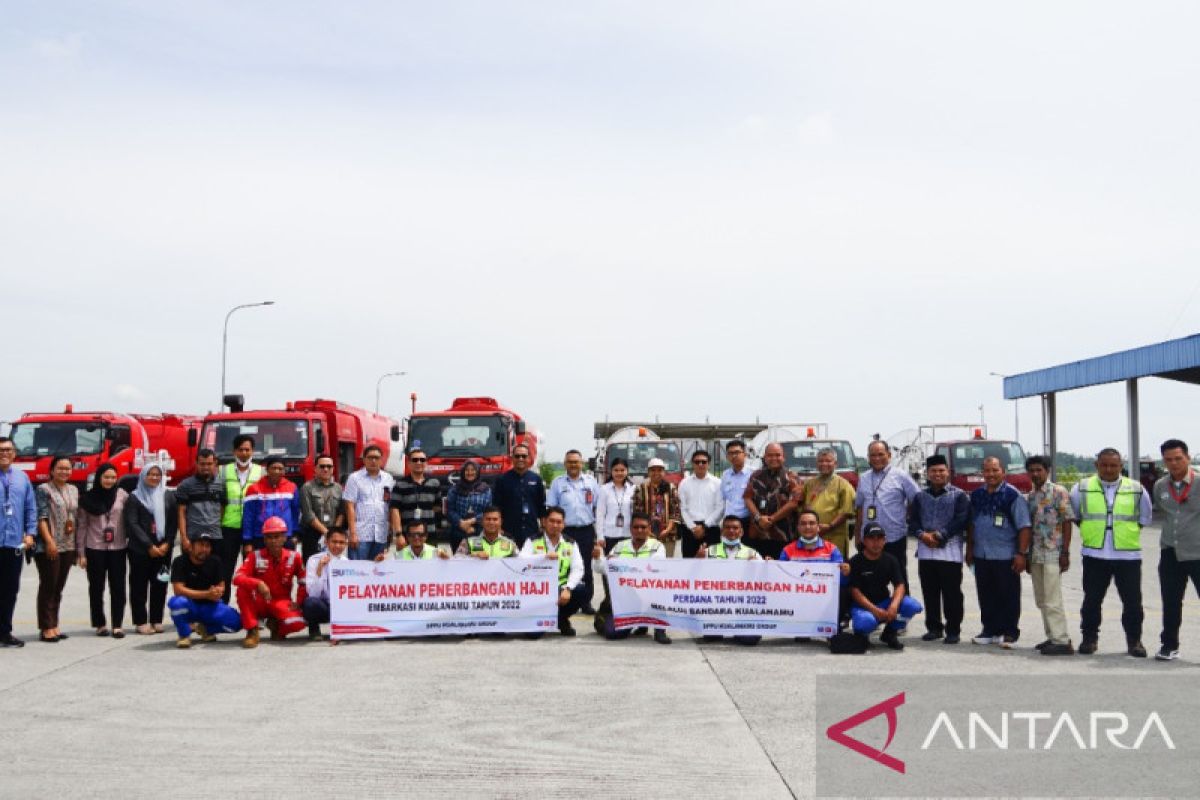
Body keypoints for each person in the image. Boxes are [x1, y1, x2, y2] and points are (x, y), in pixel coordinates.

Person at [1070, 447, 1153, 657]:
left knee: (1133, 603)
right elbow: (1076, 515)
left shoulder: (1136, 488)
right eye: (1104, 465)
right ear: (1096, 465)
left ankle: (1134, 641)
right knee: (1091, 601)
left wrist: (1121, 534)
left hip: (1127, 556)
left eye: (1113, 465)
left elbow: (1144, 518)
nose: (1108, 469)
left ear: (1121, 466)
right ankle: (1089, 639)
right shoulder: (1081, 488)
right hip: (1095, 555)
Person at [965, 457, 1032, 649]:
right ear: (982, 473)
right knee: (985, 594)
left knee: (1008, 595)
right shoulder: (977, 495)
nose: (991, 474)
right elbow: (971, 524)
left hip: (1006, 554)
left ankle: (1010, 632)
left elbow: (1024, 527)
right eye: (987, 471)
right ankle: (989, 630)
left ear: (1003, 472)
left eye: (995, 470)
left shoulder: (1013, 495)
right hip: (982, 553)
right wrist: (969, 548)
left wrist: (1021, 554)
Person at [908, 455, 970, 644]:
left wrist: (939, 535)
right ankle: (934, 628)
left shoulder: (959, 495)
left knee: (952, 593)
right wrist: (922, 535)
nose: (938, 474)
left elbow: (961, 520)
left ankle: (953, 630)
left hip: (950, 552)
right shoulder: (920, 496)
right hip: (926, 551)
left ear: (948, 473)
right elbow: (913, 521)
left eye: (941, 470)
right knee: (930, 591)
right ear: (927, 473)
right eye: (933, 471)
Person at [591, 512, 671, 644]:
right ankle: (630, 620)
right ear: (630, 528)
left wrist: (621, 564)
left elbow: (652, 569)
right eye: (636, 527)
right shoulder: (619, 546)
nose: (639, 530)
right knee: (611, 633)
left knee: (661, 588)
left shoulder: (657, 547)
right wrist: (597, 558)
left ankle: (659, 629)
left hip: (648, 596)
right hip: (626, 599)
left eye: (643, 527)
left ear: (649, 528)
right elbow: (602, 568)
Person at [1024, 454, 1076, 656]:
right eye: (1032, 470)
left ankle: (1062, 640)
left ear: (1047, 471)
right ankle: (1052, 636)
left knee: (1053, 598)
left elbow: (1067, 521)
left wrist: (1065, 552)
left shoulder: (1058, 492)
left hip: (1054, 552)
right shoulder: (1030, 496)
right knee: (1041, 598)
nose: (1035, 474)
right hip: (1036, 553)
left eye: (1039, 470)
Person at [1154, 438, 1200, 661]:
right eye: (1169, 460)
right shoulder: (1160, 486)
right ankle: (1169, 645)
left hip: (1198, 552)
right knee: (1171, 600)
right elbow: (1164, 513)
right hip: (1171, 552)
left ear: (1188, 458)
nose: (1174, 464)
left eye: (1178, 459)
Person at [233, 516, 307, 648]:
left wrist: (299, 602)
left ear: (285, 537)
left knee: (298, 622)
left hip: (281, 602)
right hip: (259, 601)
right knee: (242, 589)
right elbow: (237, 578)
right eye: (269, 537)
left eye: (277, 536)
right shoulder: (254, 556)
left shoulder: (294, 557)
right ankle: (252, 630)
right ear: (264, 539)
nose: (273, 541)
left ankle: (277, 626)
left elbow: (304, 581)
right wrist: (258, 584)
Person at [848, 523, 923, 650]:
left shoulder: (891, 560)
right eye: (871, 538)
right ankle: (863, 636)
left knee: (912, 606)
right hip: (862, 606)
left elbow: (900, 585)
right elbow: (854, 591)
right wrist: (874, 610)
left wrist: (893, 606)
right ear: (864, 541)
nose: (876, 542)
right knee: (865, 623)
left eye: (880, 538)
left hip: (884, 603)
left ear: (884, 540)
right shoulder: (855, 561)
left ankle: (890, 633)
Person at [855, 440, 920, 585]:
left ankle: (901, 607)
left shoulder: (901, 476)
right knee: (869, 580)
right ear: (868, 457)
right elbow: (860, 507)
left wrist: (907, 517)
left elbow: (916, 499)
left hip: (894, 537)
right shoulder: (864, 478)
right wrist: (857, 534)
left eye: (881, 454)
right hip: (868, 539)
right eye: (873, 455)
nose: (877, 458)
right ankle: (874, 608)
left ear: (889, 455)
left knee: (900, 579)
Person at [76, 463, 130, 638]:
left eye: (113, 477)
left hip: (118, 548)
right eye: (106, 477)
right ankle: (99, 623)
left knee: (118, 587)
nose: (109, 480)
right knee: (96, 587)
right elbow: (82, 527)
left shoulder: (123, 496)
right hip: (95, 548)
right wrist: (81, 553)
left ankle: (117, 624)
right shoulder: (87, 499)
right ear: (99, 478)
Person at [125, 463, 178, 635]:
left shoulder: (168, 495)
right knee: (139, 586)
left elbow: (172, 522)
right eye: (151, 474)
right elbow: (132, 524)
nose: (154, 477)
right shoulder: (134, 497)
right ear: (143, 476)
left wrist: (167, 543)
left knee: (160, 584)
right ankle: (140, 621)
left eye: (157, 474)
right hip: (140, 550)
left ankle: (156, 619)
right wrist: (149, 545)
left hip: (163, 549)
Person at [779, 509, 852, 630]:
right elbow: (779, 579)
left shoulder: (832, 550)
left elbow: (841, 582)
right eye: (803, 523)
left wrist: (845, 573)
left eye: (812, 523)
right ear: (798, 527)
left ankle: (833, 624)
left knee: (844, 591)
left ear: (818, 527)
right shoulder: (788, 550)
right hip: (797, 599)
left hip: (824, 600)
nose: (807, 527)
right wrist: (770, 566)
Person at [546, 449, 599, 612]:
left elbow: (597, 508)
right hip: (565, 532)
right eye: (570, 462)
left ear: (581, 463)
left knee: (586, 568)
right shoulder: (557, 483)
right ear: (565, 464)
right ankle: (566, 600)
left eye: (576, 461)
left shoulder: (591, 482)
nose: (573, 464)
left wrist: (597, 536)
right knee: (566, 567)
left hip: (586, 531)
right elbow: (551, 508)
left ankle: (586, 602)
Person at [167, 532, 241, 648]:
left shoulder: (215, 561)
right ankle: (184, 634)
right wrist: (206, 594)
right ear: (191, 547)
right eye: (201, 545)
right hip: (190, 606)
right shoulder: (179, 562)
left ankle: (204, 628)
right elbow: (178, 590)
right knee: (176, 603)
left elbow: (222, 586)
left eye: (207, 546)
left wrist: (217, 592)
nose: (204, 549)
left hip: (210, 606)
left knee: (236, 623)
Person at [698, 515, 763, 645]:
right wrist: (697, 560)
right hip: (717, 605)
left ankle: (738, 628)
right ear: (722, 531)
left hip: (742, 606)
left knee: (750, 640)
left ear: (741, 531)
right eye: (727, 527)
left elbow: (764, 580)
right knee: (711, 636)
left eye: (735, 528)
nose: (731, 531)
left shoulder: (752, 553)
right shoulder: (709, 551)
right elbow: (694, 577)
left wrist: (762, 566)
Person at [520, 507, 586, 636]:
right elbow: (521, 560)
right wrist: (542, 557)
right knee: (532, 636)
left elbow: (578, 569)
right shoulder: (532, 540)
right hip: (537, 591)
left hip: (559, 589)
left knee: (581, 590)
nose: (555, 525)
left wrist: (568, 588)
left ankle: (561, 619)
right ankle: (541, 618)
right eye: (551, 521)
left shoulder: (570, 543)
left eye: (559, 522)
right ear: (544, 522)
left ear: (564, 524)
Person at [34, 455, 78, 642]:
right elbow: (41, 518)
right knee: (48, 586)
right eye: (60, 468)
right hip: (49, 546)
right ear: (52, 470)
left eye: (67, 468)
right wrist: (49, 541)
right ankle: (46, 627)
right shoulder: (44, 489)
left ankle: (54, 624)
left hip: (67, 544)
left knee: (58, 587)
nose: (64, 472)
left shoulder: (74, 490)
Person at [175, 449, 229, 600]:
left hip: (215, 537)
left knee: (215, 574)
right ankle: (191, 613)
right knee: (190, 576)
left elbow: (222, 509)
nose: (206, 467)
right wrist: (184, 537)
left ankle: (212, 613)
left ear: (215, 464)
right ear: (196, 463)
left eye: (209, 464)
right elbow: (181, 512)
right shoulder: (186, 485)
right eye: (202, 464)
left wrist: (215, 524)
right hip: (192, 537)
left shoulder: (221, 484)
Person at [0, 437, 37, 647]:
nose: (4, 453)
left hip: (14, 544)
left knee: (10, 590)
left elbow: (30, 508)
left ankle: (4, 631)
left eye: (8, 450)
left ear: (14, 454)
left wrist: (30, 533)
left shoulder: (22, 478)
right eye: (0, 450)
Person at [744, 442, 803, 561]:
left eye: (777, 455)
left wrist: (772, 519)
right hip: (759, 533)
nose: (774, 458)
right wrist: (758, 517)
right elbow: (747, 497)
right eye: (770, 455)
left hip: (784, 534)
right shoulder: (756, 476)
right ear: (765, 457)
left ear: (783, 457)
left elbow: (794, 502)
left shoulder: (792, 477)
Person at [218, 434, 261, 596]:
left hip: (253, 528)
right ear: (234, 451)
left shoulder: (260, 471)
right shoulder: (223, 471)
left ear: (253, 451)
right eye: (240, 449)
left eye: (247, 449)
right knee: (225, 570)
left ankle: (250, 609)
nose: (244, 453)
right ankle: (223, 607)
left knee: (251, 571)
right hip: (229, 527)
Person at [343, 444, 395, 561]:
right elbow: (350, 506)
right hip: (361, 534)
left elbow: (389, 506)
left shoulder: (388, 479)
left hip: (381, 534)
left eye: (377, 458)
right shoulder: (354, 478)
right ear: (364, 459)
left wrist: (390, 530)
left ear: (381, 460)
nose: (373, 460)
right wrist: (352, 533)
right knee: (358, 572)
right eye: (370, 457)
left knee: (377, 573)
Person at [802, 448, 856, 557]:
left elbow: (846, 512)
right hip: (811, 536)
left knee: (834, 568)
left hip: (834, 536)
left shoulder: (844, 485)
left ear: (835, 464)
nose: (824, 464)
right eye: (821, 461)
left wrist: (829, 526)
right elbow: (803, 507)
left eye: (828, 461)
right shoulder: (809, 484)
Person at [241, 455, 300, 553]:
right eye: (274, 468)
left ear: (284, 471)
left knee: (286, 567)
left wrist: (295, 535)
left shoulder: (292, 487)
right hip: (260, 537)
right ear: (267, 470)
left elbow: (295, 513)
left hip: (285, 537)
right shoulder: (254, 489)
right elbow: (248, 516)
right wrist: (247, 541)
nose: (277, 471)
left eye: (280, 469)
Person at [302, 527, 351, 641]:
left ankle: (343, 628)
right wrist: (320, 569)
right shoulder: (314, 560)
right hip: (323, 605)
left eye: (341, 542)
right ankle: (313, 627)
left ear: (346, 544)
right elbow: (313, 593)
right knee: (310, 603)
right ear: (326, 542)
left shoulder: (347, 563)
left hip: (340, 607)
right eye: (334, 542)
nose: (338, 546)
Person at [390, 447, 445, 546]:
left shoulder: (434, 483)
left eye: (422, 460)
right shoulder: (399, 484)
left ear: (426, 463)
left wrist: (437, 527)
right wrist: (398, 534)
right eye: (415, 460)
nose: (419, 462)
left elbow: (437, 508)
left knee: (430, 561)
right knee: (406, 561)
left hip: (429, 534)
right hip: (408, 535)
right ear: (409, 463)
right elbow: (395, 510)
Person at [492, 444, 545, 547]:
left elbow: (541, 507)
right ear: (512, 458)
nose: (520, 459)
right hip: (508, 531)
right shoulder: (502, 480)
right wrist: (498, 528)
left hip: (531, 530)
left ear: (529, 458)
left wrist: (543, 528)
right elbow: (497, 506)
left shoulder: (536, 479)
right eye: (517, 456)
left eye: (524, 456)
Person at [632, 458, 682, 555]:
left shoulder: (671, 488)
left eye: (659, 470)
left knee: (666, 565)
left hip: (668, 535)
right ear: (648, 472)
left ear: (664, 472)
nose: (656, 473)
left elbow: (675, 511)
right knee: (648, 564)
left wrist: (667, 530)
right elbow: (638, 512)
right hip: (646, 534)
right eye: (653, 470)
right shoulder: (641, 488)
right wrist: (648, 530)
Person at [299, 454, 343, 562]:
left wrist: (333, 532)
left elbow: (341, 512)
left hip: (333, 536)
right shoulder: (307, 487)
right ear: (315, 468)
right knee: (313, 568)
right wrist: (326, 533)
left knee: (333, 567)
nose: (326, 469)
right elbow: (308, 515)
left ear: (333, 469)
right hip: (313, 534)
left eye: (329, 466)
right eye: (322, 466)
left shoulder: (338, 488)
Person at [679, 450, 723, 558]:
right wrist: (693, 527)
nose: (700, 464)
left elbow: (720, 507)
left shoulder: (717, 483)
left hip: (711, 529)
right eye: (697, 462)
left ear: (709, 464)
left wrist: (704, 526)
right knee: (689, 564)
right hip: (690, 530)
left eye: (704, 462)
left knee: (712, 565)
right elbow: (682, 508)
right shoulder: (684, 483)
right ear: (692, 464)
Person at [445, 460, 492, 555]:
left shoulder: (486, 490)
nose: (470, 473)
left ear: (478, 472)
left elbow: (488, 511)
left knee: (477, 557)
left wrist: (472, 522)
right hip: (458, 531)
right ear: (463, 472)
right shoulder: (454, 489)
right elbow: (450, 510)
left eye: (473, 470)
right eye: (467, 470)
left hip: (478, 530)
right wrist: (461, 523)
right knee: (458, 560)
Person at [595, 457, 635, 553]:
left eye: (622, 470)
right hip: (609, 535)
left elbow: (634, 513)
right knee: (610, 565)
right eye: (616, 470)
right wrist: (600, 536)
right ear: (611, 471)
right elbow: (600, 514)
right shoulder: (604, 489)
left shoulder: (633, 489)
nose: (619, 473)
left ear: (627, 471)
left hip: (628, 534)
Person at [719, 440, 754, 532]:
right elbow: (723, 498)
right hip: (729, 522)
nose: (734, 456)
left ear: (745, 454)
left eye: (737, 452)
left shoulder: (753, 474)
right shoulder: (725, 475)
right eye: (730, 453)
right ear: (727, 456)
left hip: (747, 521)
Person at [378, 522, 450, 561]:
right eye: (412, 535)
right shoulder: (398, 556)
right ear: (407, 536)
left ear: (426, 536)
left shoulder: (437, 554)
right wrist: (379, 562)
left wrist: (446, 560)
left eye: (420, 534)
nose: (416, 537)